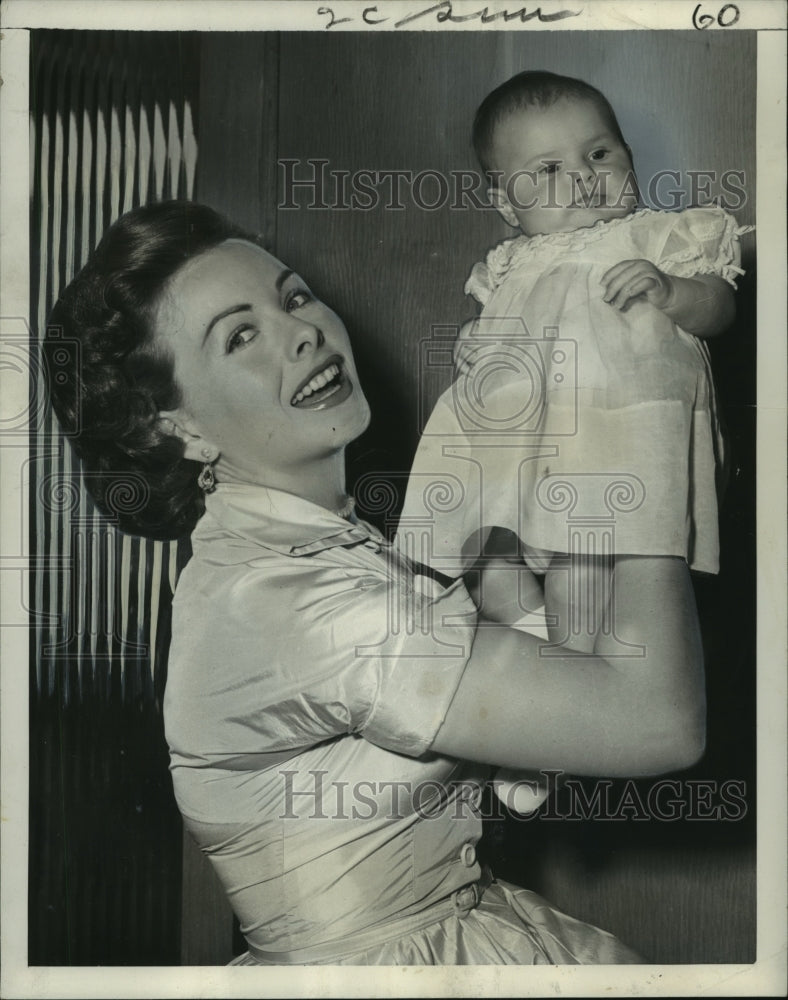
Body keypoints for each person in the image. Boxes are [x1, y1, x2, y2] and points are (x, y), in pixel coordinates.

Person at [45, 200, 706, 966]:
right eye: (240, 336)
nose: (301, 330)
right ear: (178, 426)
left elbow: (553, 670)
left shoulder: (308, 553)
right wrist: (648, 417)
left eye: (292, 296)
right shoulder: (293, 604)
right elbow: (658, 722)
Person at [400, 71, 752, 662]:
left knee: (585, 571)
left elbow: (721, 307)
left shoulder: (655, 235)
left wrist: (672, 290)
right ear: (506, 204)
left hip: (620, 434)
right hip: (527, 443)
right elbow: (503, 331)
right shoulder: (508, 265)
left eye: (597, 153)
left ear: (628, 157)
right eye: (549, 170)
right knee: (480, 561)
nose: (584, 177)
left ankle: (584, 687)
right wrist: (472, 339)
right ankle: (560, 668)